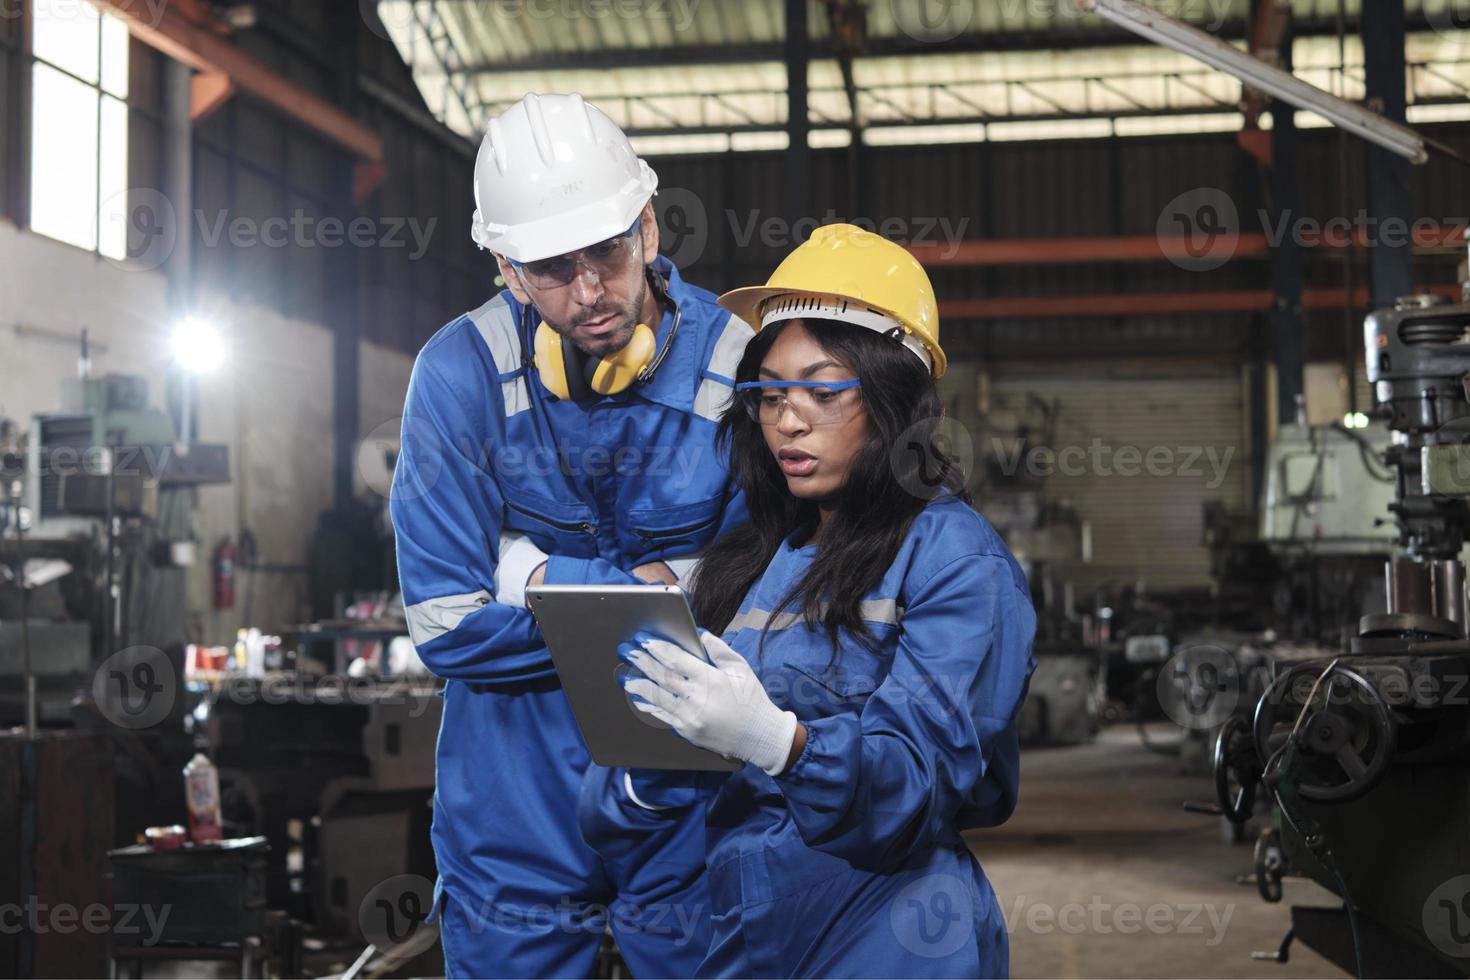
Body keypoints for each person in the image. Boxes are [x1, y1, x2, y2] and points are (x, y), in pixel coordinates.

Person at [611, 224, 1037, 977]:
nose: (789, 418)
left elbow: (918, 784)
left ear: (891, 395)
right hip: (747, 929)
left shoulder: (955, 561)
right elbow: (657, 794)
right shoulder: (748, 563)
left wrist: (780, 743)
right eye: (769, 393)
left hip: (891, 930)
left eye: (821, 389)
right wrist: (643, 769)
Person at [389, 93, 751, 978]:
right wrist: (656, 592)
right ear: (509, 272)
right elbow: (443, 623)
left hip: (692, 792)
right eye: (553, 268)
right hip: (513, 800)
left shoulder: (737, 362)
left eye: (607, 252)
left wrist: (525, 572)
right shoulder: (457, 376)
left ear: (650, 231)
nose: (590, 292)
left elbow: (759, 599)